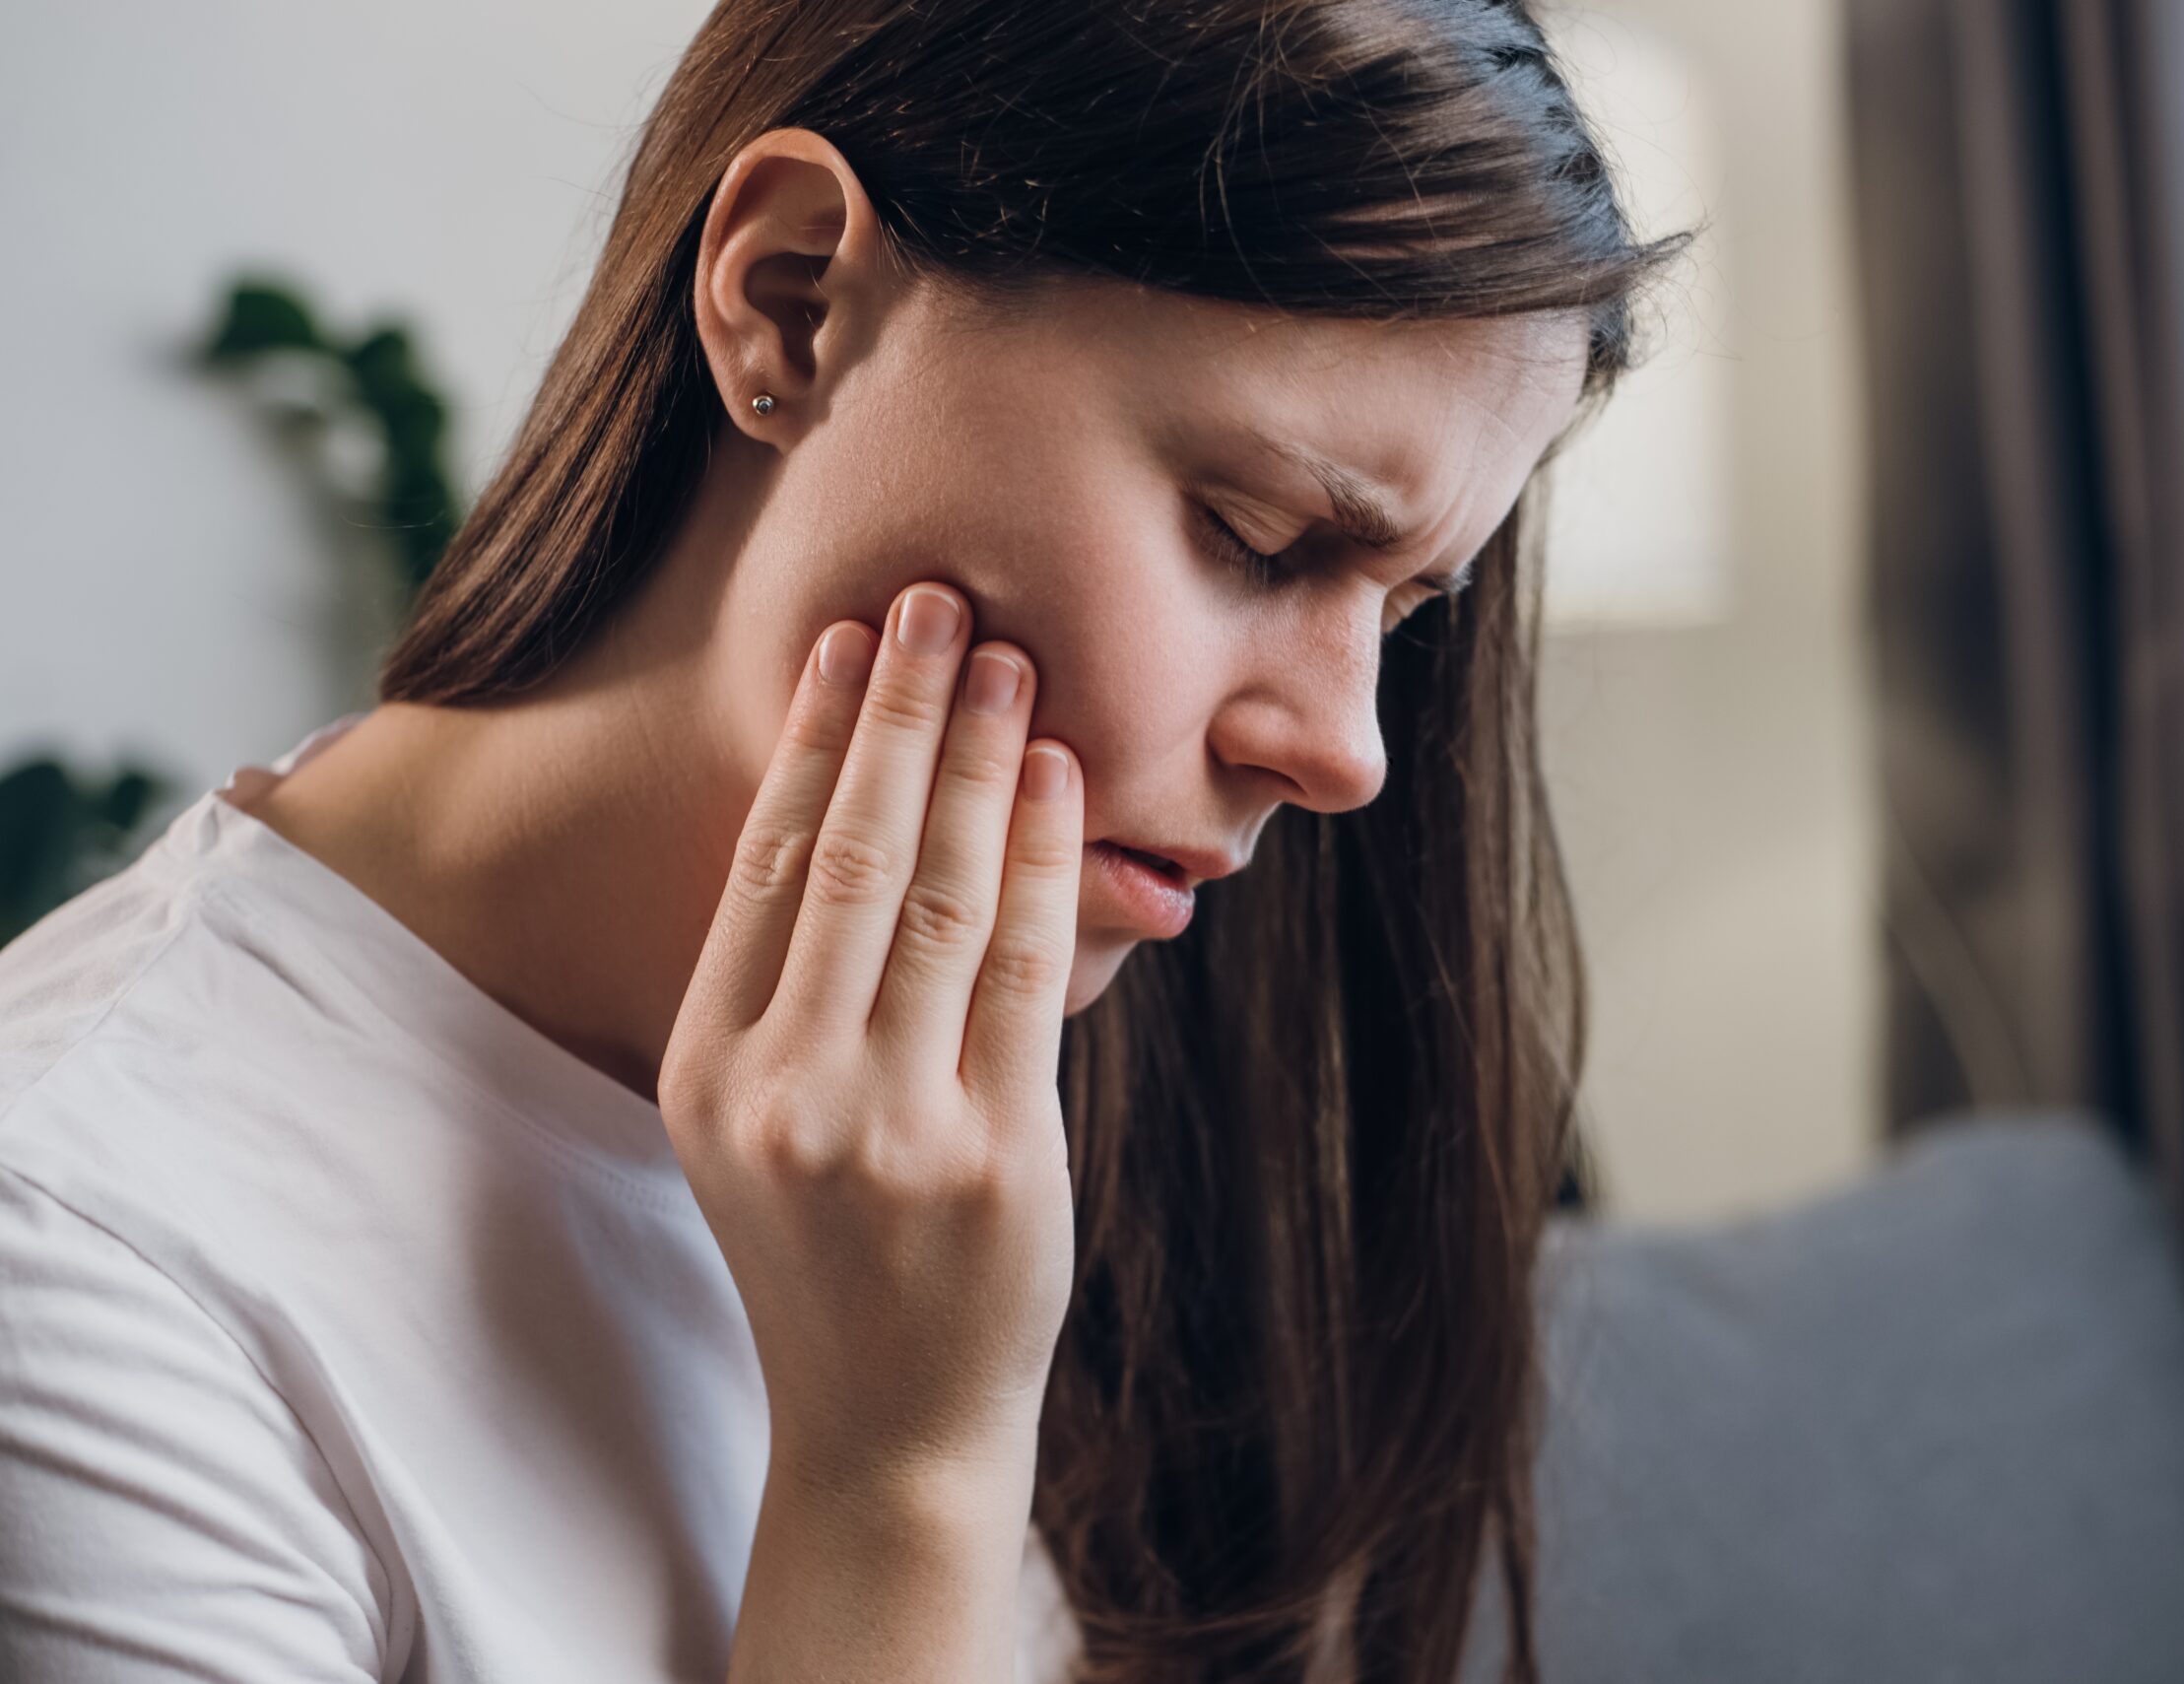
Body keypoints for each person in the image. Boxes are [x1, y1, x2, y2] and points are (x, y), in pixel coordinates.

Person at [0, 2, 1687, 1679]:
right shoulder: (87, 1268)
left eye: (1401, 613)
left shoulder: (1097, 1090)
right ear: (793, 299)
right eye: (1252, 536)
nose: (1343, 752)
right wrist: (898, 1485)